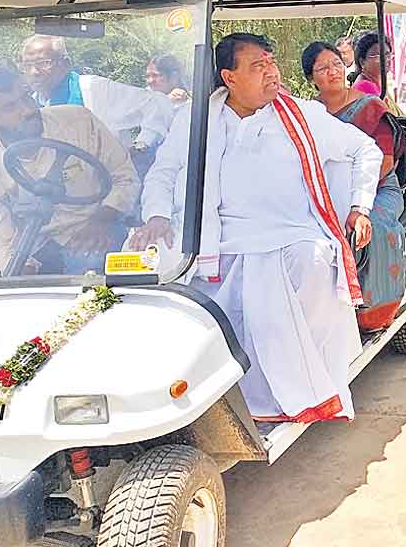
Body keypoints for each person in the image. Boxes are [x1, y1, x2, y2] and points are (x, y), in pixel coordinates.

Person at [133, 33, 383, 424]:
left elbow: (366, 149)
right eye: (258, 66)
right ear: (229, 78)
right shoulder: (197, 119)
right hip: (216, 238)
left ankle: (308, 391)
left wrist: (359, 206)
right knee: (141, 263)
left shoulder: (303, 115)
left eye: (271, 63)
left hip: (291, 232)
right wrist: (158, 216)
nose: (271, 73)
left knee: (312, 260)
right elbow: (163, 173)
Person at [0, 68, 141, 277]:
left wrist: (102, 219)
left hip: (98, 226)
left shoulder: (79, 122)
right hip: (33, 244)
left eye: (26, 97)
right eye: (10, 107)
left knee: (86, 269)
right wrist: (23, 277)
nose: (27, 110)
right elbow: (1, 242)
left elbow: (126, 178)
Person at [304, 40, 406, 330]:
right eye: (323, 68)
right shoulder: (310, 113)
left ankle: (373, 310)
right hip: (326, 192)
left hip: (377, 190)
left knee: (366, 228)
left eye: (337, 64)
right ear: (311, 78)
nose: (333, 72)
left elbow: (385, 163)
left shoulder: (370, 107)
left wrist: (351, 195)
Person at [20, 35, 174, 152]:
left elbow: (157, 103)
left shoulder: (94, 89)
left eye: (43, 63)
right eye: (27, 65)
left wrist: (143, 145)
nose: (34, 72)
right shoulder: (29, 106)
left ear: (66, 64)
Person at [352, 30, 402, 115]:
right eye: (378, 55)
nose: (385, 59)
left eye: (387, 54)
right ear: (362, 62)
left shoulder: (379, 84)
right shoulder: (365, 86)